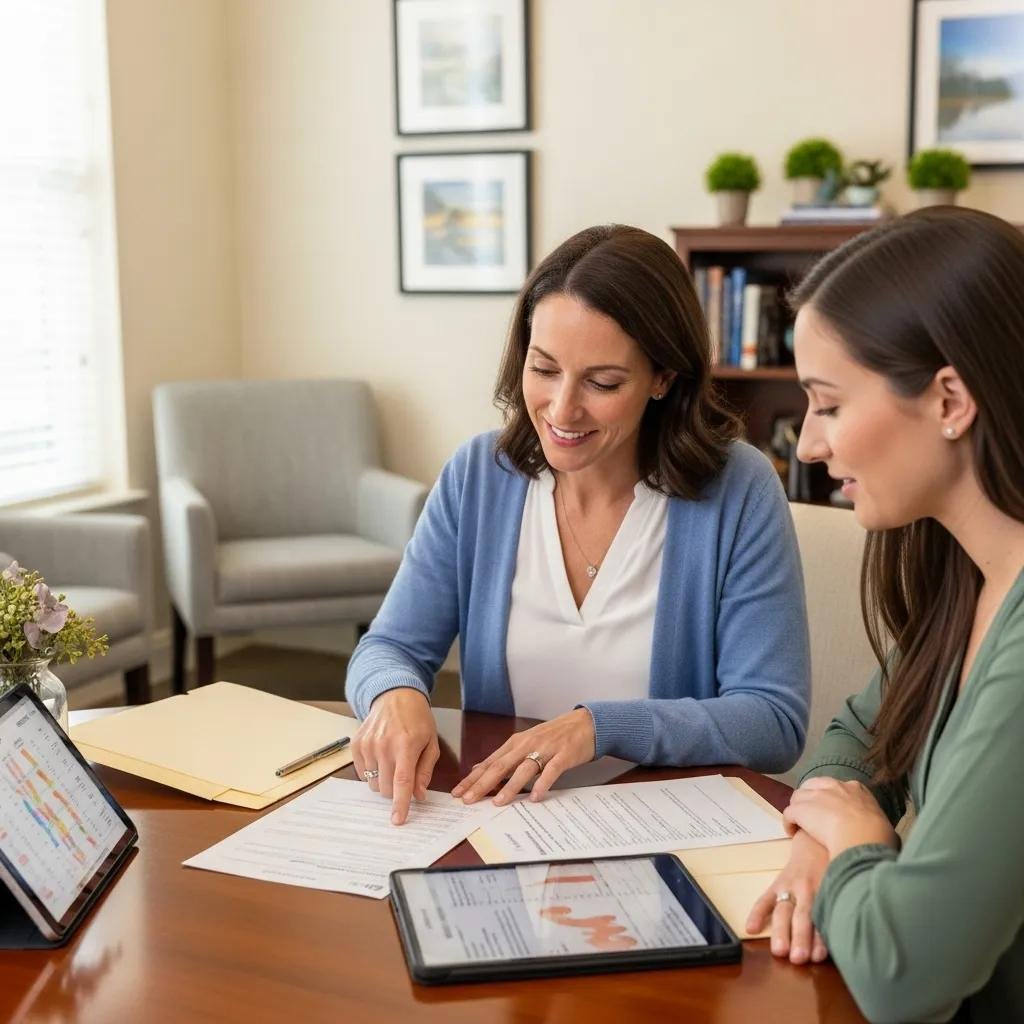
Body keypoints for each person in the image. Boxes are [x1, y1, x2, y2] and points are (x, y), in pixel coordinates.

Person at [346, 224, 810, 825]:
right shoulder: (478, 476)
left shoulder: (738, 489)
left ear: (663, 378)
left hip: (666, 829)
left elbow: (772, 720)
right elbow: (389, 647)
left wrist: (597, 727)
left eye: (602, 382)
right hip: (502, 820)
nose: (562, 409)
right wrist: (394, 693)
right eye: (544, 369)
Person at [746, 207, 1024, 1022]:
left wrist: (857, 846)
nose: (808, 445)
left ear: (949, 400)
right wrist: (818, 837)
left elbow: (906, 976)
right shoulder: (967, 580)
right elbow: (858, 736)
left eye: (829, 405)